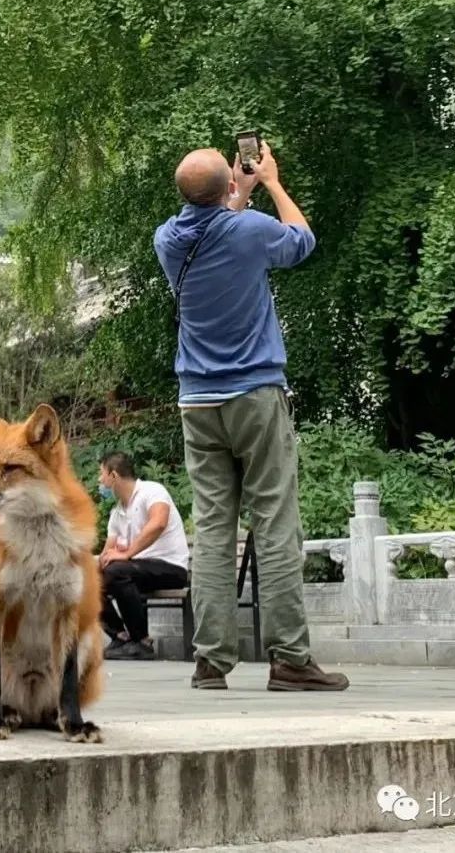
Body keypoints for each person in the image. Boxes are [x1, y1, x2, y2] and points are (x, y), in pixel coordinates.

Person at [153, 141, 349, 691]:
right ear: (225, 187)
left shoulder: (167, 240)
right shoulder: (250, 230)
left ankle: (210, 661)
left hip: (197, 402)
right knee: (274, 522)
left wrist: (237, 194)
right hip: (255, 396)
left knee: (214, 528)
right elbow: (302, 240)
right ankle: (289, 658)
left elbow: (214, 226)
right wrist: (273, 184)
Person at [97, 452, 189, 661]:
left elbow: (158, 523)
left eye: (101, 475)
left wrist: (127, 553)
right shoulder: (117, 512)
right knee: (87, 580)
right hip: (137, 569)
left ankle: (142, 641)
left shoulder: (152, 491)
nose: (99, 481)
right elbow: (107, 553)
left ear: (113, 475)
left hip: (169, 566)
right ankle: (121, 637)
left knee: (116, 571)